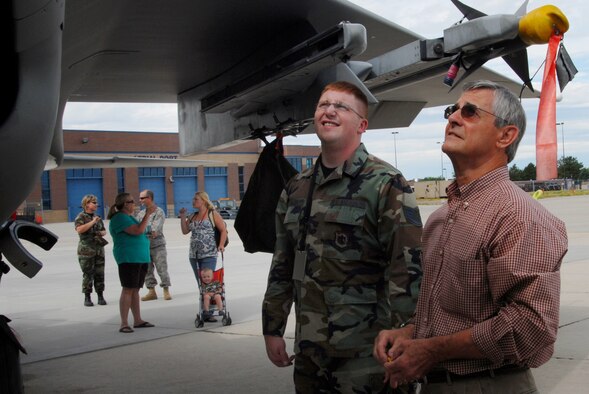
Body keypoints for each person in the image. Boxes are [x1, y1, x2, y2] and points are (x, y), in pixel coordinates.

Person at [373, 80, 568, 393]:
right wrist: (412, 332)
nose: (452, 117)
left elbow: (531, 328)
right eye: (452, 110)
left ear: (506, 136)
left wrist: (432, 349)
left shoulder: (518, 216)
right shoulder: (440, 219)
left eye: (470, 112)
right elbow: (452, 314)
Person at [262, 81, 423, 392]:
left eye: (341, 106)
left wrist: (409, 339)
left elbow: (408, 269)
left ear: (362, 125)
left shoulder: (386, 184)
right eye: (323, 105)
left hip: (368, 357)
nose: (329, 111)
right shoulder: (296, 189)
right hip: (311, 354)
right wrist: (273, 327)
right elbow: (284, 263)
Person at [107, 192, 156, 333]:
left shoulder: (129, 217)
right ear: (124, 204)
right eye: (132, 201)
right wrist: (147, 214)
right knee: (128, 289)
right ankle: (124, 323)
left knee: (135, 290)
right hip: (128, 258)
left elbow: (141, 230)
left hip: (139, 258)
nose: (134, 203)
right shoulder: (119, 218)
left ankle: (137, 320)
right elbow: (137, 231)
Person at [179, 191, 227, 282]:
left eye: (196, 199)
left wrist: (221, 245)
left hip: (209, 254)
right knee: (200, 282)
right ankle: (203, 296)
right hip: (194, 255)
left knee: (208, 282)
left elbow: (223, 230)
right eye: (193, 199)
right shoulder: (192, 216)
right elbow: (185, 231)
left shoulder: (212, 214)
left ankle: (211, 296)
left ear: (204, 201)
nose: (193, 201)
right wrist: (182, 217)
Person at [136, 189, 172, 301]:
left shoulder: (159, 212)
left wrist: (141, 230)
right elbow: (137, 228)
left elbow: (154, 230)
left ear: (149, 198)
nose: (140, 200)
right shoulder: (141, 214)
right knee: (147, 270)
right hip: (144, 246)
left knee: (162, 268)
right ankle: (151, 291)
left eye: (142, 198)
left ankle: (166, 289)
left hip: (157, 246)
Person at [74, 194, 107, 307]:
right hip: (86, 250)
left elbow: (103, 230)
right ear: (87, 204)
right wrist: (92, 222)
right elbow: (79, 229)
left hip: (98, 249)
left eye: (96, 202)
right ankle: (87, 297)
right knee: (88, 274)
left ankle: (100, 295)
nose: (96, 204)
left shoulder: (97, 217)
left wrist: (102, 232)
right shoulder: (81, 217)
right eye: (94, 202)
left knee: (100, 273)